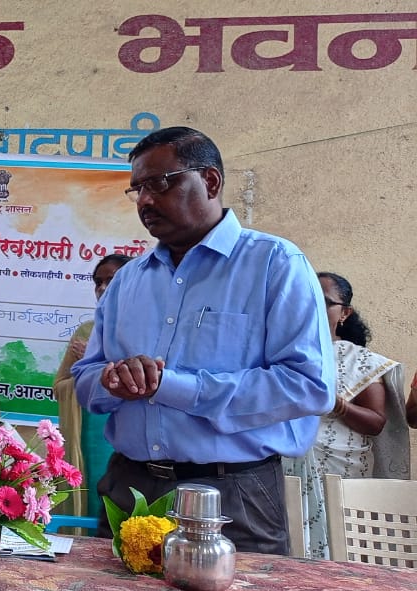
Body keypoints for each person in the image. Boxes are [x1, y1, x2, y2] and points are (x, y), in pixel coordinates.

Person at [73, 126, 334, 555]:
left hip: (232, 494)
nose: (144, 200)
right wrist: (109, 381)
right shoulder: (126, 282)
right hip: (130, 488)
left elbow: (310, 385)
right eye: (136, 189)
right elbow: (85, 377)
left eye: (158, 183)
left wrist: (172, 386)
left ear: (210, 181)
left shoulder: (275, 264)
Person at [283, 272, 410, 559]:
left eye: (324, 301)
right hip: (281, 469)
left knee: (340, 551)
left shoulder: (360, 361)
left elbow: (376, 422)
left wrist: (337, 404)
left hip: (338, 472)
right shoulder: (280, 352)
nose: (312, 305)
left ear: (344, 313)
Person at [52, 253, 132, 520]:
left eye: (111, 280)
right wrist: (86, 370)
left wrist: (98, 362)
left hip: (125, 435)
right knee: (88, 497)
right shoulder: (87, 331)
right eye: (98, 282)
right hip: (85, 432)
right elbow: (60, 385)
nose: (102, 288)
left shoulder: (148, 328)